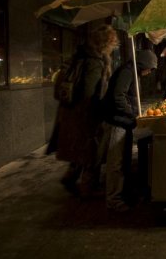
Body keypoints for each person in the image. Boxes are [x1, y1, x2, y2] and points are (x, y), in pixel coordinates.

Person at [53, 25, 119, 198]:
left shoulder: (80, 56)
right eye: (112, 42)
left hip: (72, 112)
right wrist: (103, 107)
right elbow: (90, 93)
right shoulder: (95, 62)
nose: (114, 45)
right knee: (92, 151)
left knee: (81, 149)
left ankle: (70, 177)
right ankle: (88, 190)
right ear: (106, 43)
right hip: (87, 114)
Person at [102, 49, 157, 212]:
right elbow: (119, 97)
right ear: (143, 63)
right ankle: (113, 200)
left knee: (123, 160)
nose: (149, 72)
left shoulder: (133, 72)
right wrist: (133, 114)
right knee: (116, 162)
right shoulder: (127, 72)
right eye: (150, 68)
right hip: (117, 121)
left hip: (124, 121)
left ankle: (122, 194)